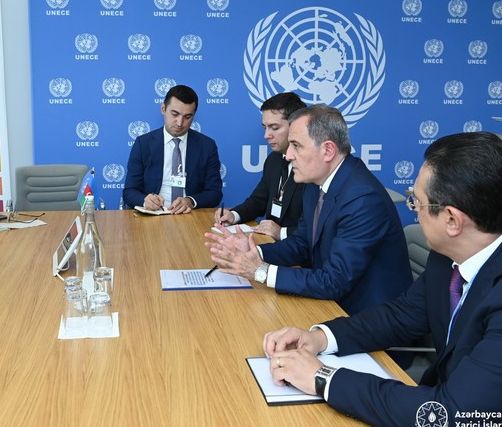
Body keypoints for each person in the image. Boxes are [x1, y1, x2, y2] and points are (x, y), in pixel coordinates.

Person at [264, 132, 502, 427]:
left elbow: (450, 418)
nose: (414, 210)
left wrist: (323, 378)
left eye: (417, 202)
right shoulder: (455, 250)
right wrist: (321, 337)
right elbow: (402, 315)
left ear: (453, 220)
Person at [205, 105, 410, 314]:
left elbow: (334, 281)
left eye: (296, 145)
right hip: (332, 302)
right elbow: (301, 243)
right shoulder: (315, 184)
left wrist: (261, 271)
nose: (288, 155)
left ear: (328, 150)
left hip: (369, 315)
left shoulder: (363, 199)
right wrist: (253, 252)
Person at [215, 92, 306, 240]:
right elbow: (259, 201)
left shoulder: (312, 167)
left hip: (299, 249)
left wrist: (282, 232)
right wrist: (234, 215)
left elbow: (317, 227)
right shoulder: (273, 160)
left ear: (296, 126)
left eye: (274, 128)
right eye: (265, 128)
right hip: (269, 242)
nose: (266, 135)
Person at [123, 85, 223, 213]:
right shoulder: (143, 144)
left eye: (187, 117)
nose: (180, 123)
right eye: (175, 114)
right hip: (154, 214)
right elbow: (129, 191)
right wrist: (145, 200)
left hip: (190, 214)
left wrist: (190, 201)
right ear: (163, 109)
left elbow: (215, 193)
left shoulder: (207, 146)